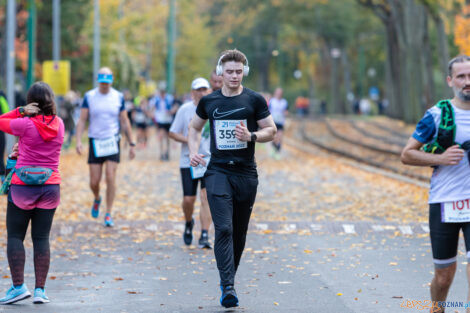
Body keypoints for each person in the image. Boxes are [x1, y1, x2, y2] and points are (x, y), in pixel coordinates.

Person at [188, 49, 276, 308]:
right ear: (220, 73)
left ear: (244, 72)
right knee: (223, 228)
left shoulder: (254, 100)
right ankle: (227, 286)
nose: (234, 76)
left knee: (238, 232)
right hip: (217, 171)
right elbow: (193, 128)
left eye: (238, 72)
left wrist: (251, 136)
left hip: (246, 173)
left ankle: (230, 278)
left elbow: (271, 129)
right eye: (229, 72)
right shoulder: (209, 102)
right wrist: (194, 152)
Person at [401, 55, 470, 313]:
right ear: (450, 80)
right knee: (443, 276)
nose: (467, 82)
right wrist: (440, 158)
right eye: (461, 76)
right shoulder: (438, 114)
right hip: (445, 202)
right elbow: (407, 154)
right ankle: (437, 308)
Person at [0, 82, 64, 304]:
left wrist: (20, 111)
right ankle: (40, 291)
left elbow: (0, 121)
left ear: (32, 102)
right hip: (50, 185)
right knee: (41, 237)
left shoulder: (25, 124)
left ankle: (18, 287)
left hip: (22, 187)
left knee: (16, 236)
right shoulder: (60, 125)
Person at [75, 67, 136, 227]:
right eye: (102, 83)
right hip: (95, 140)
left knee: (110, 176)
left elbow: (124, 120)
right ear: (98, 81)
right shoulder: (90, 96)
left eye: (107, 83)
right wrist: (78, 141)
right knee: (94, 181)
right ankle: (97, 198)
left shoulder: (118, 97)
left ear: (111, 81)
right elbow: (82, 120)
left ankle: (108, 213)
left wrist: (131, 143)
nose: (104, 86)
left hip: (112, 140)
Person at [169, 78, 212, 249]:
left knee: (206, 197)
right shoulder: (185, 110)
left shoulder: (214, 108)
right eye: (198, 90)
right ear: (193, 92)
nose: (202, 93)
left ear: (209, 91)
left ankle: (204, 234)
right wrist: (189, 140)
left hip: (208, 160)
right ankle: (188, 223)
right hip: (189, 161)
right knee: (188, 199)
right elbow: (172, 132)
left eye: (204, 89)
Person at [149, 83, 176, 161]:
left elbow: (175, 106)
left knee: (167, 137)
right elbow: (152, 107)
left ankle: (167, 152)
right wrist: (152, 114)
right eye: (161, 91)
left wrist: (171, 111)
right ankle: (161, 153)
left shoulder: (170, 98)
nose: (162, 93)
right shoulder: (156, 99)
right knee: (161, 136)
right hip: (160, 119)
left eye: (163, 91)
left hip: (168, 119)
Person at [268, 87, 288, 157]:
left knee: (280, 137)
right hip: (273, 122)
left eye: (280, 93)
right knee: (275, 137)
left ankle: (277, 151)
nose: (279, 94)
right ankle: (275, 150)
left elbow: (286, 110)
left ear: (282, 94)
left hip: (281, 122)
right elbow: (268, 110)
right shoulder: (272, 101)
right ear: (275, 93)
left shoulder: (284, 102)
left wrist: (286, 113)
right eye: (278, 92)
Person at [0, 91, 10, 181]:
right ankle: (4, 183)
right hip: (0, 129)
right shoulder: (1, 95)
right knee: (0, 157)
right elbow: (6, 112)